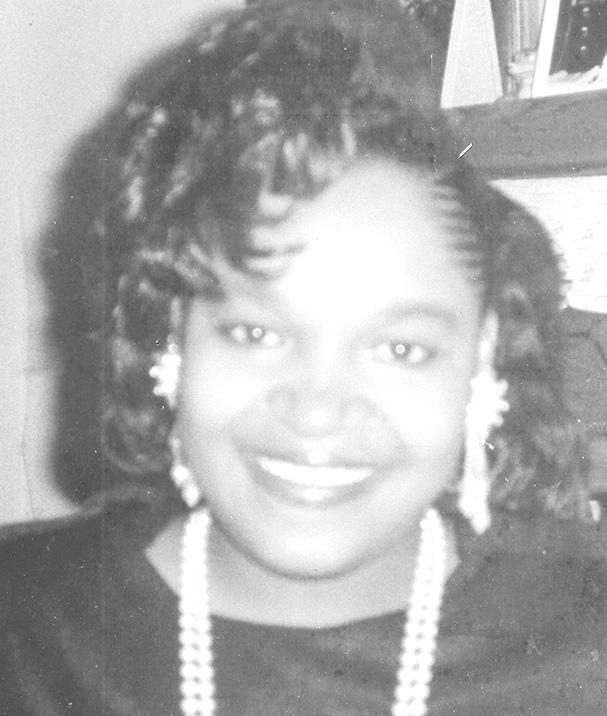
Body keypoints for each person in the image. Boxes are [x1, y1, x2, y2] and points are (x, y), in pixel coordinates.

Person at [1, 0, 606, 714]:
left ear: (482, 364)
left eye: (400, 348)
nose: (316, 410)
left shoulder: (585, 646)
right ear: (172, 342)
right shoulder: (22, 627)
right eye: (255, 334)